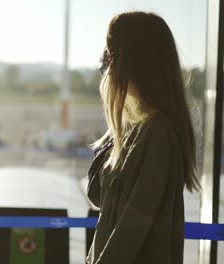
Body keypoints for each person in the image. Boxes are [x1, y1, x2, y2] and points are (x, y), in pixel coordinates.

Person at [86, 11, 201, 264]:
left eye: (109, 54)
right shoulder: (136, 130)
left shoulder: (157, 132)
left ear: (131, 62)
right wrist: (116, 131)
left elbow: (131, 229)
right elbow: (96, 195)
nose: (104, 65)